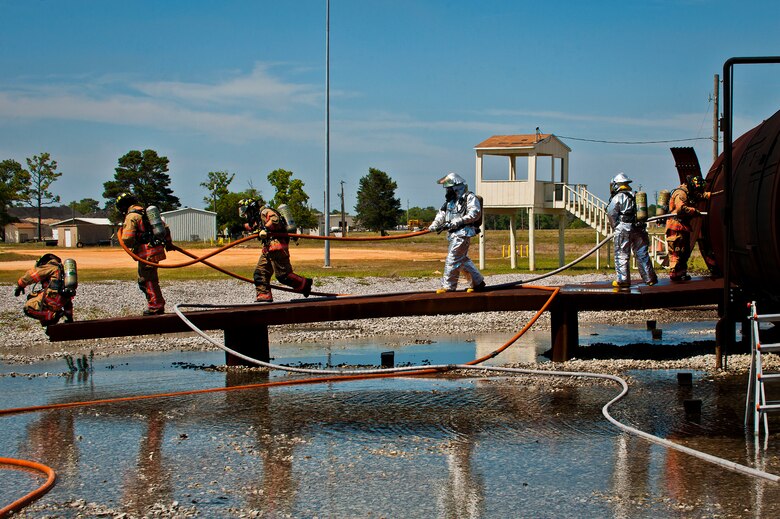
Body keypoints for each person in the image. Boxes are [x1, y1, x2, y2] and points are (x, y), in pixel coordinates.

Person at [238, 198, 312, 302]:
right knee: (260, 273)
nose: (245, 214)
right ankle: (264, 295)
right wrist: (238, 227)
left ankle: (304, 283)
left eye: (246, 210)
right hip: (268, 249)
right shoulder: (258, 217)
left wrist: (265, 229)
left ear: (252, 207)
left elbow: (274, 219)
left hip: (277, 247)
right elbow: (253, 226)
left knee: (283, 276)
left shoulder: (265, 211)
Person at [427, 172, 486, 293]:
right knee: (462, 260)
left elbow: (475, 213)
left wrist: (458, 221)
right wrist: (434, 225)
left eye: (448, 188)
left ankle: (448, 287)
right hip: (453, 234)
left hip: (463, 232)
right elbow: (441, 214)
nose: (447, 191)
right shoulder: (450, 202)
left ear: (456, 186)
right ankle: (478, 282)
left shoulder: (469, 198)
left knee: (453, 258)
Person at [116, 192, 173, 315]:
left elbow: (127, 238)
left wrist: (127, 241)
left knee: (147, 280)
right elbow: (165, 228)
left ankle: (156, 306)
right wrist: (169, 243)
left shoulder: (132, 216)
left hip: (146, 253)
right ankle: (157, 303)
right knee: (150, 278)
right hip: (156, 250)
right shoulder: (148, 213)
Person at [606, 173, 658, 288]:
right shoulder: (636, 195)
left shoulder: (618, 197)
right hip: (639, 227)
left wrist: (615, 227)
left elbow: (611, 213)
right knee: (642, 254)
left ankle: (623, 280)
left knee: (622, 254)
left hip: (624, 227)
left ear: (616, 185)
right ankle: (649, 278)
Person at [665, 174, 710, 282]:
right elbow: (681, 209)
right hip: (675, 227)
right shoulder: (681, 193)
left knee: (684, 251)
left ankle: (681, 273)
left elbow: (698, 196)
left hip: (683, 226)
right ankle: (675, 274)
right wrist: (694, 211)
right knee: (676, 251)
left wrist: (709, 195)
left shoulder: (689, 192)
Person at [14, 253, 75, 326]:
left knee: (28, 308)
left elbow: (32, 275)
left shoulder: (50, 267)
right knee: (47, 318)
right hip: (60, 303)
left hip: (50, 298)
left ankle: (53, 315)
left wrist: (20, 285)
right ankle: (51, 327)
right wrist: (69, 317)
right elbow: (68, 298)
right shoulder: (63, 272)